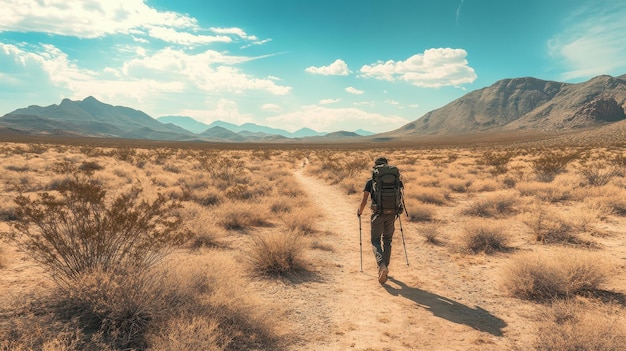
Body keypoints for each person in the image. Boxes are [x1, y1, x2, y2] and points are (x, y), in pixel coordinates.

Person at [357, 157, 403, 284]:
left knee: (375, 240)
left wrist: (359, 212)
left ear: (376, 168)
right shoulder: (396, 181)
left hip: (378, 214)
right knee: (387, 241)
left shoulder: (371, 182)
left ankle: (382, 265)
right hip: (392, 214)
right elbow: (400, 196)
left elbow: (364, 201)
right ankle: (385, 267)